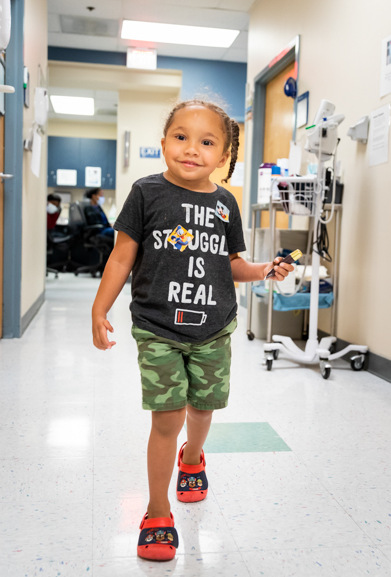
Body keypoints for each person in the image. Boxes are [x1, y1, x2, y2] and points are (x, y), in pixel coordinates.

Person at [90, 99, 291, 561]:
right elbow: (122, 256)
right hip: (158, 327)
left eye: (206, 142)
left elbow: (233, 264)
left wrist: (264, 270)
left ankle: (193, 458)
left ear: (223, 157)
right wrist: (100, 308)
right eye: (180, 137)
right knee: (168, 417)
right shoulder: (145, 193)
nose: (191, 149)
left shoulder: (226, 204)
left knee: (202, 410)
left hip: (214, 329)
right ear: (163, 143)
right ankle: (157, 510)